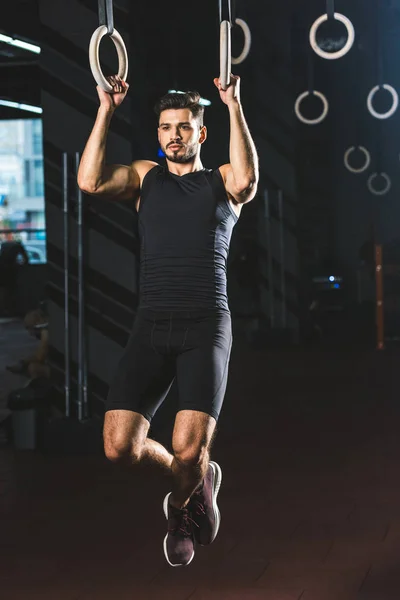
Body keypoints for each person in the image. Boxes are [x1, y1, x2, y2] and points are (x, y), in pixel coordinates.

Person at [77, 72, 258, 567]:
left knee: (186, 449)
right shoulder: (144, 178)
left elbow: (247, 180)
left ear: (201, 133)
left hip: (205, 327)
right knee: (119, 448)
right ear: (157, 134)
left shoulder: (221, 181)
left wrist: (233, 104)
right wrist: (106, 108)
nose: (173, 134)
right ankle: (202, 474)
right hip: (152, 325)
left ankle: (181, 505)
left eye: (183, 126)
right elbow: (90, 180)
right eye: (164, 127)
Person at [6, 308, 50, 379]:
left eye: (29, 328)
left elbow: (39, 357)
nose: (30, 334)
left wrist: (23, 363)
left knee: (33, 368)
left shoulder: (45, 333)